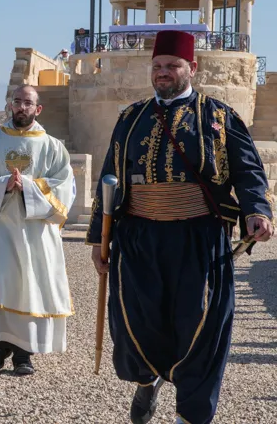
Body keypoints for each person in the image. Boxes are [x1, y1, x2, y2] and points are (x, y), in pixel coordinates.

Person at [87, 30, 274, 424]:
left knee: (202, 327)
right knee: (138, 321)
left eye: (172, 65)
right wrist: (97, 240)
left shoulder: (220, 117)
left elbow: (248, 171)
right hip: (137, 238)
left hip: (199, 237)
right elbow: (109, 177)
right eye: (157, 66)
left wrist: (257, 210)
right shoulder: (130, 117)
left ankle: (190, 415)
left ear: (193, 67)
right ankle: (147, 381)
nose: (163, 73)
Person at [0, 84, 75, 375]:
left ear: (37, 109)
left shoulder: (52, 145)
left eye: (28, 103)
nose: (22, 107)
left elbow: (64, 186)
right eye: (17, 101)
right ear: (9, 105)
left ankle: (24, 353)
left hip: (34, 231)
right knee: (2, 282)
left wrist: (27, 186)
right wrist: (3, 184)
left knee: (29, 285)